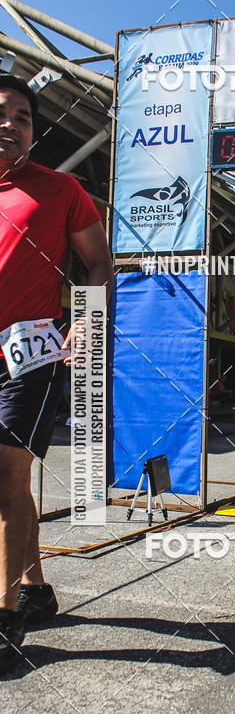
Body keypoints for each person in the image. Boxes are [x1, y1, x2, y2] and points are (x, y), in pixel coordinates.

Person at [0, 75, 113, 673]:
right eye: (2, 112)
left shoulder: (60, 189)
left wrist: (86, 326)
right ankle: (36, 587)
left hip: (29, 355)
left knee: (3, 479)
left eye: (23, 115)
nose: (12, 122)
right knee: (10, 488)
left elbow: (97, 263)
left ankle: (4, 613)